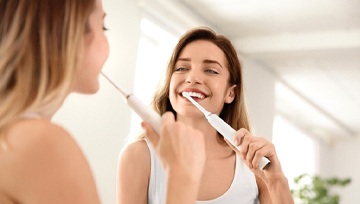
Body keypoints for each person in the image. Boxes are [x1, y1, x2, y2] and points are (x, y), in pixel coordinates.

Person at [0, 0, 205, 203]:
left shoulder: (16, 136)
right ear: (67, 32)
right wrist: (183, 177)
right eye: (103, 26)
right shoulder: (42, 143)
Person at [117, 27, 295, 203]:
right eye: (181, 68)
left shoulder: (255, 167)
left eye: (211, 70)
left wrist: (276, 180)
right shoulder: (138, 156)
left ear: (230, 93)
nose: (192, 78)